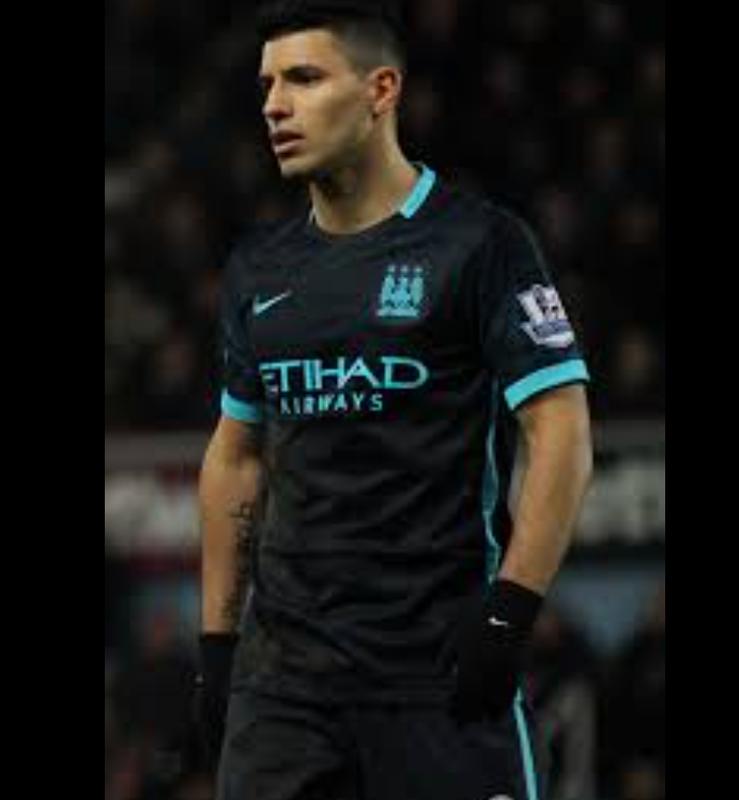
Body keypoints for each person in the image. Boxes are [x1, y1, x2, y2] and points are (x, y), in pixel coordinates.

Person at [195, 1, 593, 798]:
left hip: (437, 676)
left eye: (303, 79)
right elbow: (235, 458)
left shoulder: (480, 243)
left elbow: (559, 430)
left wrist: (510, 611)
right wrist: (217, 648)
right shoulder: (257, 268)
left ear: (380, 90)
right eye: (267, 85)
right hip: (284, 689)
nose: (274, 105)